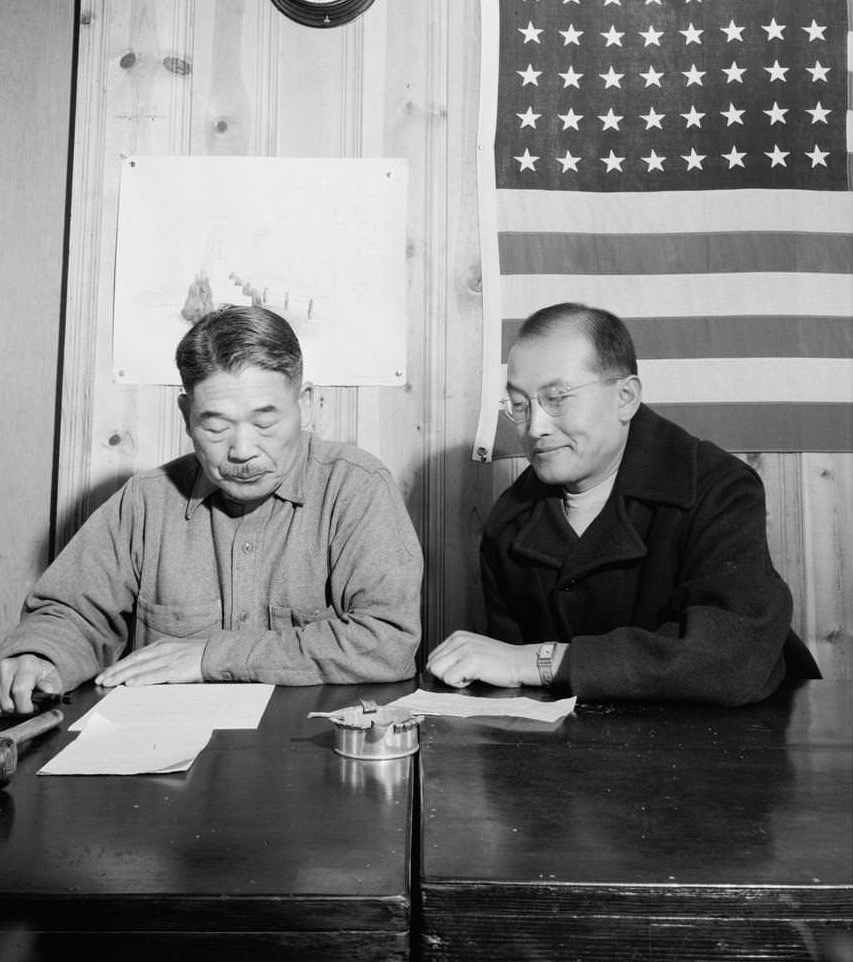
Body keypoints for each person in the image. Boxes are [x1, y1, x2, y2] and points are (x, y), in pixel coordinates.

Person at [0, 306, 422, 714]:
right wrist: (39, 655)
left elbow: (387, 642)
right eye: (215, 426)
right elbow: (73, 612)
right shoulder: (146, 501)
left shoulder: (357, 487)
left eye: (264, 423)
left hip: (312, 759)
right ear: (186, 416)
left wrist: (210, 656)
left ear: (306, 405)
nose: (241, 450)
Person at [427, 302, 819, 705]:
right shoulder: (509, 521)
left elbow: (728, 661)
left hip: (734, 742)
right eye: (521, 405)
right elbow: (509, 687)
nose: (536, 428)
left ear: (626, 397)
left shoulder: (718, 487)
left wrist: (544, 661)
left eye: (558, 398)